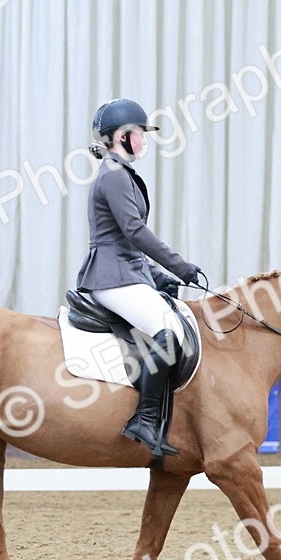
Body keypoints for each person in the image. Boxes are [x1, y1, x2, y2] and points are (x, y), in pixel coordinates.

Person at [76, 98, 202, 458]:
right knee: (169, 332)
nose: (145, 140)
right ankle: (144, 419)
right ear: (121, 137)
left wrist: (158, 277)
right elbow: (134, 231)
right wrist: (180, 267)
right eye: (139, 134)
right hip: (111, 277)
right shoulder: (114, 175)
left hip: (124, 272)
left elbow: (126, 241)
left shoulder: (119, 172)